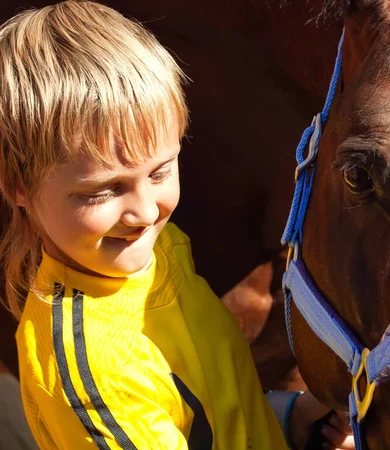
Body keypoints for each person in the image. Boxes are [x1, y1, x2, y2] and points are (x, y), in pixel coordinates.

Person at [0, 2, 354, 449]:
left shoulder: (160, 249)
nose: (146, 212)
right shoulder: (90, 373)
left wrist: (286, 417)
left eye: (160, 172)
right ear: (19, 186)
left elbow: (206, 405)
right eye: (103, 191)